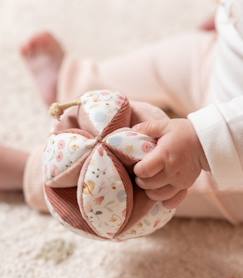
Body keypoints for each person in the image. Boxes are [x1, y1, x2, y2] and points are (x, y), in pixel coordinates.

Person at [1, 0, 243, 223]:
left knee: (141, 181)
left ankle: (34, 171)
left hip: (234, 156)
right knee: (171, 59)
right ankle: (77, 83)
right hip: (225, 65)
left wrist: (199, 145)